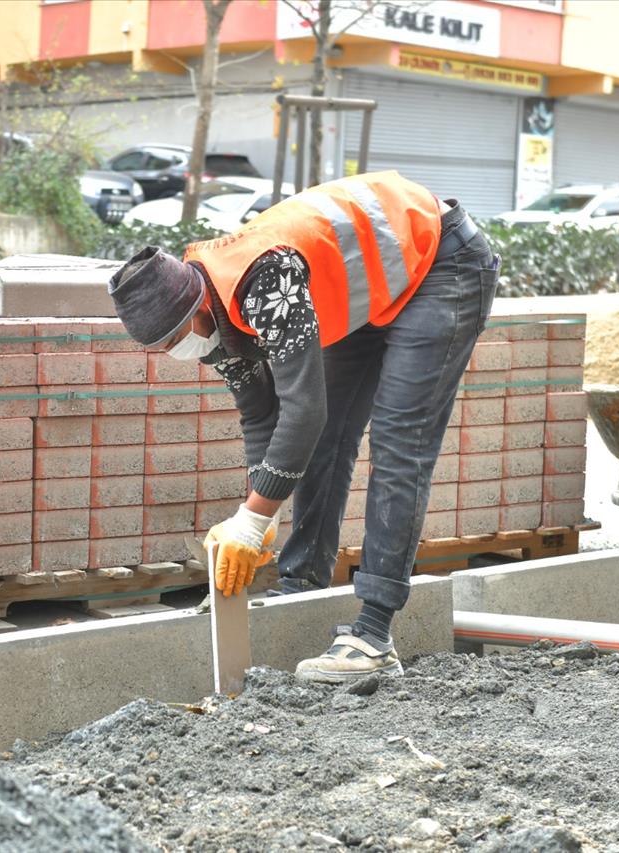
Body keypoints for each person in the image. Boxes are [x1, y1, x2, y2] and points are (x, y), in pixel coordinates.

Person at [108, 171, 498, 684]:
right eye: (163, 348)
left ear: (195, 308)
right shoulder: (209, 317)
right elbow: (262, 416)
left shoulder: (262, 281)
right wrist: (260, 512)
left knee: (400, 442)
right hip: (378, 285)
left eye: (175, 340)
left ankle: (374, 635)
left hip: (440, 262)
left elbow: (302, 409)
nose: (177, 352)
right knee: (326, 437)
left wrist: (251, 519)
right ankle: (301, 586)